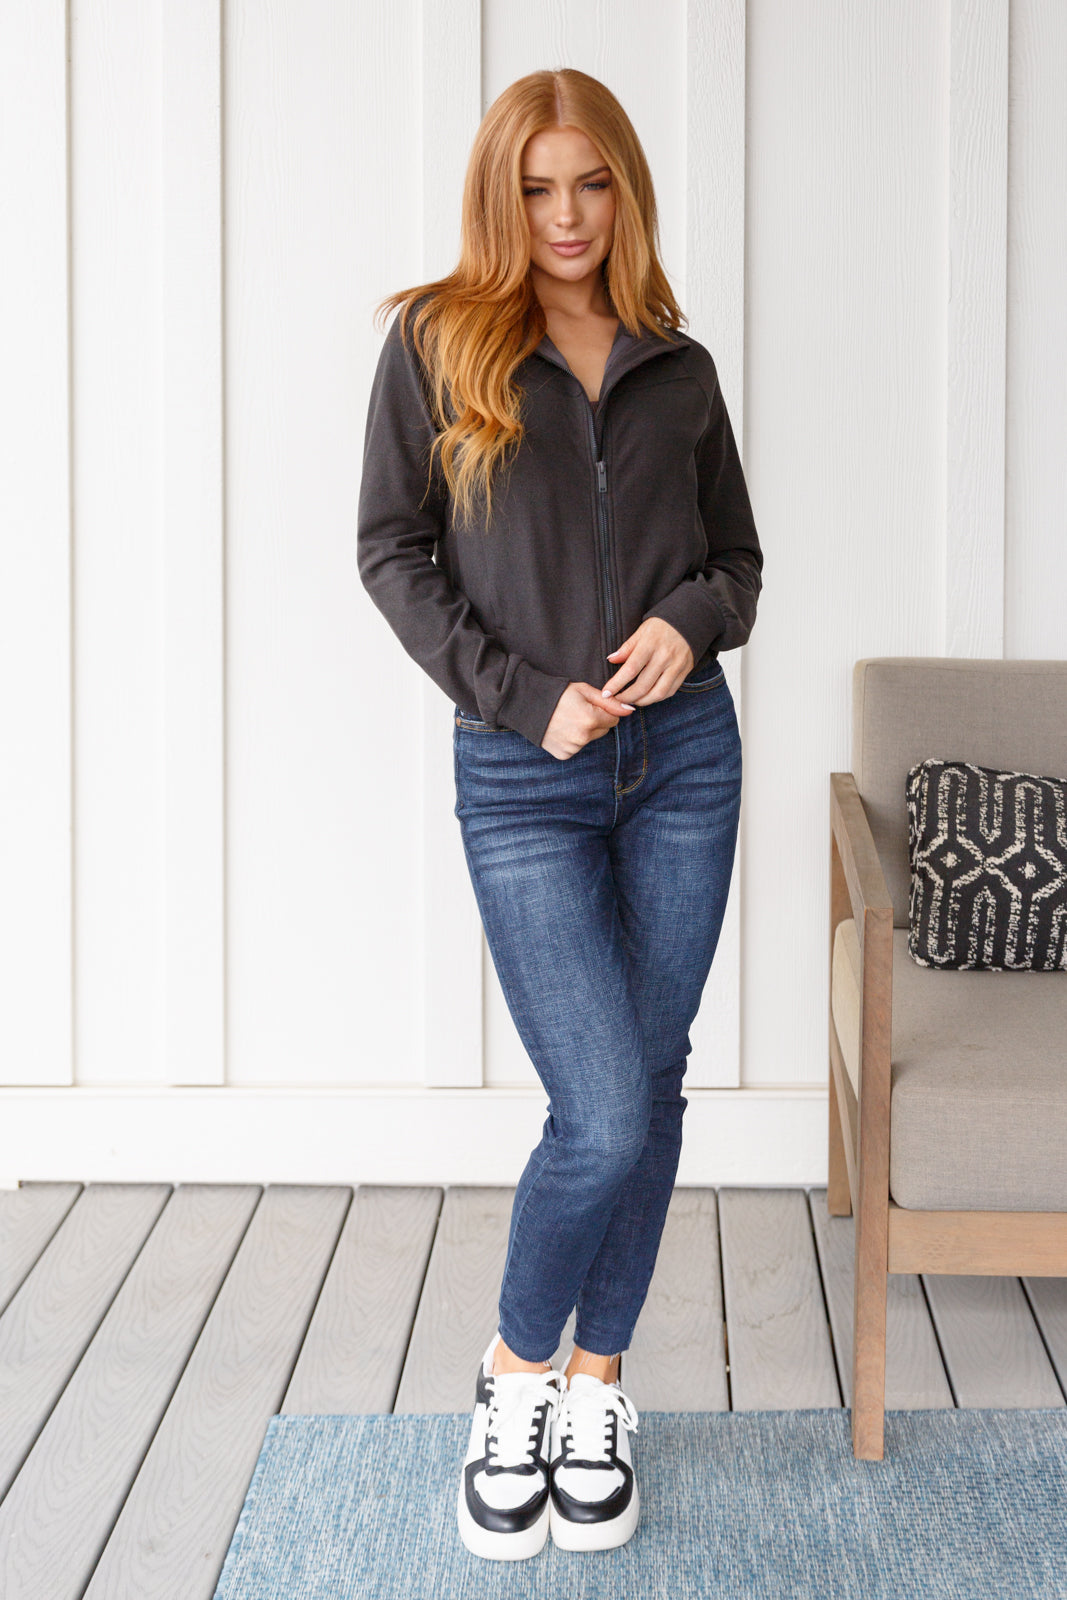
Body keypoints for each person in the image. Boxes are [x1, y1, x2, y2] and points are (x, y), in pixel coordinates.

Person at [357, 67, 763, 1563]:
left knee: (649, 1087)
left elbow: (738, 561)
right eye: (538, 186)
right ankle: (515, 1374)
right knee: (596, 1105)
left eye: (591, 184)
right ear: (499, 195)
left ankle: (597, 1389)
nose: (568, 215)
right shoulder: (437, 343)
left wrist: (690, 624)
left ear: (626, 190)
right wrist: (523, 696)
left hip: (686, 766)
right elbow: (392, 553)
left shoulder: (679, 363)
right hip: (523, 776)